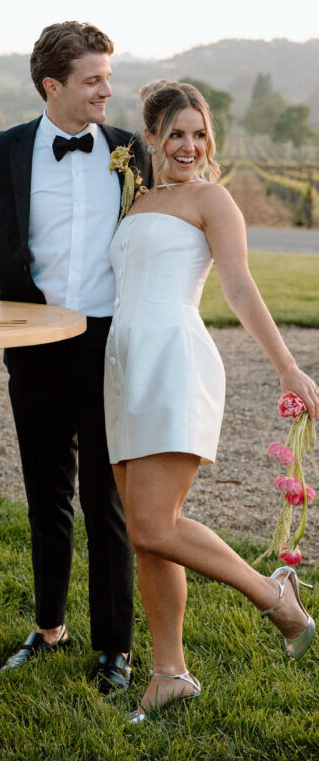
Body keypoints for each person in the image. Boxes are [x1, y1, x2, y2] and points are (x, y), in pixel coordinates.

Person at [0, 21, 148, 693]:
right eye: (93, 80)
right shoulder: (2, 150)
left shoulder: (128, 152)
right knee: (44, 496)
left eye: (107, 78)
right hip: (32, 345)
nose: (106, 91)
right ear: (52, 85)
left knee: (104, 501)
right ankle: (49, 628)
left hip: (107, 343)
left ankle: (115, 649)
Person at [104, 79, 318, 722]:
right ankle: (170, 674)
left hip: (174, 359)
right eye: (176, 133)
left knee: (152, 523)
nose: (190, 145)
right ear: (150, 138)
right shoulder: (137, 199)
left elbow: (240, 287)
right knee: (148, 539)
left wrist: (288, 369)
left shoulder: (213, 200)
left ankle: (275, 597)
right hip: (124, 366)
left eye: (199, 133)